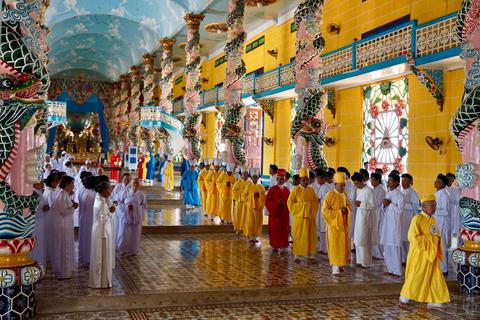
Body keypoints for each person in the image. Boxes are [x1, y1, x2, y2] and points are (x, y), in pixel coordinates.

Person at [399, 195, 450, 311]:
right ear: (424, 207)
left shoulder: (433, 220)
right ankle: (403, 298)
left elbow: (436, 235)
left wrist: (436, 240)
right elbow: (413, 237)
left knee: (435, 277)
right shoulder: (417, 219)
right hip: (420, 254)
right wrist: (432, 240)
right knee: (416, 276)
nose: (434, 207)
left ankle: (434, 302)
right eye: (432, 205)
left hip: (431, 254)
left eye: (435, 205)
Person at [322, 172, 352, 275]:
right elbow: (325, 210)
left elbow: (350, 207)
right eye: (341, 185)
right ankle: (335, 268)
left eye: (344, 185)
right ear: (335, 185)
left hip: (343, 225)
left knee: (342, 246)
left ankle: (339, 265)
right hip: (334, 225)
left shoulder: (345, 195)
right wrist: (339, 212)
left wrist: (346, 210)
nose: (343, 188)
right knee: (335, 246)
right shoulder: (330, 195)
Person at [287, 168, 319, 261]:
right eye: (303, 179)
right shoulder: (295, 190)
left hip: (309, 218)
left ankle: (311, 254)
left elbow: (316, 202)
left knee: (311, 236)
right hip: (300, 218)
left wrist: (310, 205)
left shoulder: (311, 190)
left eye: (307, 179)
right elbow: (290, 203)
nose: (306, 181)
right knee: (299, 236)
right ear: (299, 180)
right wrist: (304, 206)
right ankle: (298, 255)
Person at [88, 180, 116, 288]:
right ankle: (102, 281)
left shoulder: (98, 198)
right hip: (102, 232)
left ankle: (101, 280)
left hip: (98, 229)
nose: (110, 192)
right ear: (104, 191)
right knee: (102, 254)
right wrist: (112, 211)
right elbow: (105, 219)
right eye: (109, 190)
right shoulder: (102, 203)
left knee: (100, 253)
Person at [52, 175, 78, 279]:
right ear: (66, 184)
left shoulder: (64, 194)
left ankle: (66, 271)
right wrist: (73, 207)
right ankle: (63, 272)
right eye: (72, 184)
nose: (73, 186)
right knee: (64, 248)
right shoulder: (62, 194)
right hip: (63, 225)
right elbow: (62, 210)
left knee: (65, 247)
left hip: (65, 224)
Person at [380, 173, 405, 277]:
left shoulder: (400, 195)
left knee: (394, 247)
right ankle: (390, 268)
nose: (389, 182)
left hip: (395, 223)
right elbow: (383, 208)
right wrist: (384, 205)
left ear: (396, 182)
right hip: (387, 223)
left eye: (390, 180)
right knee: (387, 246)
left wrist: (390, 204)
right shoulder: (388, 193)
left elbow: (400, 210)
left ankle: (397, 270)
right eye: (388, 180)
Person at [352, 172, 377, 268]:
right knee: (358, 239)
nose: (356, 185)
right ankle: (359, 260)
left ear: (362, 181)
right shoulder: (359, 190)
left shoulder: (369, 191)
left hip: (366, 218)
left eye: (357, 183)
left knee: (364, 240)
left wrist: (361, 204)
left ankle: (366, 263)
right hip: (359, 217)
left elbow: (373, 206)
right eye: (354, 184)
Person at [118, 178, 147, 255]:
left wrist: (135, 208)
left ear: (139, 185)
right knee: (125, 233)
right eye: (134, 183)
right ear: (131, 184)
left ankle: (134, 250)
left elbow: (144, 206)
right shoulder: (125, 192)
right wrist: (127, 207)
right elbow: (119, 202)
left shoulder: (141, 194)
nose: (135, 185)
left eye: (137, 183)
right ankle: (124, 249)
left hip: (136, 218)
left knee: (135, 234)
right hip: (127, 216)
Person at [266, 168, 291, 253]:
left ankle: (283, 246)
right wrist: (276, 202)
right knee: (275, 229)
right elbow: (267, 201)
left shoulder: (287, 190)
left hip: (284, 214)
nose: (281, 181)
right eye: (279, 179)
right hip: (275, 214)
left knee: (284, 230)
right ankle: (275, 245)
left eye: (283, 179)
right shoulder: (272, 189)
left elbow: (290, 201)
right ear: (277, 179)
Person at [434, 173, 452, 274]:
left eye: (438, 182)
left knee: (442, 245)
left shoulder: (444, 195)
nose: (436, 183)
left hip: (443, 223)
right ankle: (439, 266)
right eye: (436, 181)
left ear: (443, 184)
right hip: (437, 222)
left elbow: (445, 211)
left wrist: (432, 210)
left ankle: (443, 268)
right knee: (437, 244)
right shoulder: (437, 193)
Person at [78, 175, 98, 264]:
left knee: (87, 237)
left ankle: (86, 256)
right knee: (91, 238)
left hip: (86, 215)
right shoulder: (94, 194)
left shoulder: (86, 192)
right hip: (92, 216)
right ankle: (90, 258)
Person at [29, 181, 50, 267]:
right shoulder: (32, 193)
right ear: (34, 184)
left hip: (41, 221)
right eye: (40, 182)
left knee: (41, 243)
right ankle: (36, 264)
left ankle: (41, 264)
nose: (42, 183)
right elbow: (31, 211)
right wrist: (42, 210)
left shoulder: (39, 192)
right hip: (36, 223)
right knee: (37, 244)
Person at [243, 168, 266, 243]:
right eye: (254, 177)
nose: (255, 179)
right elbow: (244, 196)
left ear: (258, 178)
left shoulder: (261, 187)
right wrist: (252, 196)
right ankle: (251, 236)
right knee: (251, 221)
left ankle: (255, 236)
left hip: (258, 208)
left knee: (258, 222)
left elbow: (265, 197)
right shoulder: (248, 186)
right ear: (251, 178)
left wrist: (260, 196)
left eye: (256, 177)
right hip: (250, 207)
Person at [401, 173, 419, 263]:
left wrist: (403, 205)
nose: (402, 183)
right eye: (402, 181)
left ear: (410, 182)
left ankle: (410, 258)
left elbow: (415, 206)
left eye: (405, 181)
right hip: (403, 218)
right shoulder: (402, 191)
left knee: (408, 239)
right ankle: (404, 258)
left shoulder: (413, 192)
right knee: (403, 239)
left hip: (409, 218)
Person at [313, 170, 332, 254]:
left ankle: (327, 248)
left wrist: (320, 200)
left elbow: (329, 200)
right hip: (319, 210)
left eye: (320, 178)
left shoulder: (327, 187)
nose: (318, 180)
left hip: (325, 210)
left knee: (325, 229)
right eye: (317, 178)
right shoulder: (318, 186)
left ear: (324, 178)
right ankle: (322, 247)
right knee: (321, 229)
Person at [111, 173, 131, 247]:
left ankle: (124, 243)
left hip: (126, 210)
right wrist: (117, 198)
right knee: (117, 225)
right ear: (122, 179)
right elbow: (112, 196)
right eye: (125, 179)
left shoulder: (131, 188)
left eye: (128, 179)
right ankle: (116, 241)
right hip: (118, 209)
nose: (126, 181)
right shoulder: (118, 186)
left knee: (124, 227)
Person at [371, 173, 387, 260]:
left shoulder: (381, 190)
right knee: (374, 233)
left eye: (373, 180)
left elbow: (377, 202)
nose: (371, 181)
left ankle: (379, 254)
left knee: (378, 233)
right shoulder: (373, 189)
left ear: (377, 180)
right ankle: (374, 252)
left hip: (378, 213)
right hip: (374, 212)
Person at [44, 174, 58, 259]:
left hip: (49, 216)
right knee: (50, 234)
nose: (57, 184)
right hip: (51, 215)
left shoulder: (48, 191)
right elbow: (52, 205)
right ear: (52, 183)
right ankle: (50, 253)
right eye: (56, 182)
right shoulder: (50, 192)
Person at [232, 166, 250, 235]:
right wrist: (243, 192)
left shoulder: (249, 183)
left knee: (246, 215)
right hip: (239, 202)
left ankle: (245, 228)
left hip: (247, 203)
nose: (245, 175)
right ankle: (238, 228)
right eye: (244, 174)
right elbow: (234, 191)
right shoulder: (238, 183)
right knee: (238, 215)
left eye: (246, 174)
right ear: (241, 175)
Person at [446, 172, 462, 247]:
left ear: (453, 181)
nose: (448, 181)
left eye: (449, 179)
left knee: (453, 229)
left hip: (453, 212)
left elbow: (455, 202)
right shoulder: (443, 189)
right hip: (444, 213)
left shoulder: (455, 190)